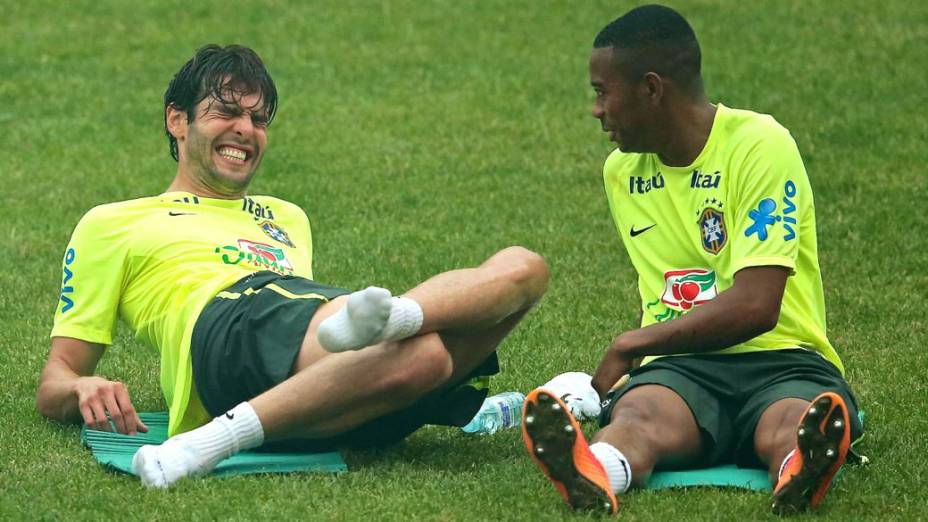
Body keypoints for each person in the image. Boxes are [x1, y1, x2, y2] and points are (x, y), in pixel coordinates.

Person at [36, 44, 549, 488]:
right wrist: (81, 386)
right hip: (221, 325)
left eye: (258, 120)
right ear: (177, 119)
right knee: (367, 329)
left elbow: (308, 339)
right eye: (226, 113)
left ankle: (393, 324)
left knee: (512, 283)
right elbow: (57, 379)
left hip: (303, 384)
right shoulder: (113, 223)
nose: (246, 130)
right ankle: (384, 328)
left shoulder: (288, 217)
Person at [521, 5, 862, 516]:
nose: (596, 110)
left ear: (652, 89)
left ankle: (799, 463)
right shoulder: (622, 172)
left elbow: (757, 305)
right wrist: (652, 354)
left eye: (602, 91)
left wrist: (634, 342)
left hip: (782, 357)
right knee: (638, 415)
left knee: (789, 417)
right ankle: (597, 469)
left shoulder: (759, 146)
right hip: (682, 370)